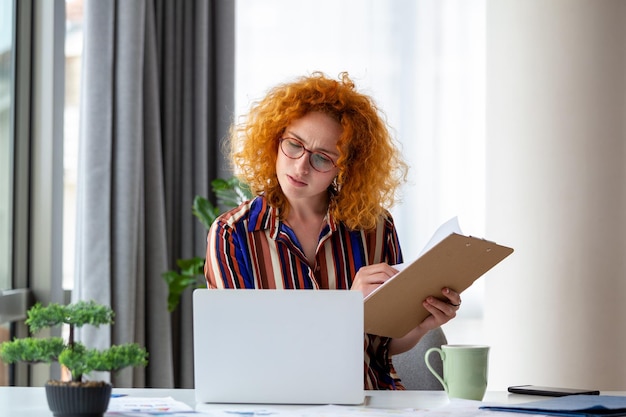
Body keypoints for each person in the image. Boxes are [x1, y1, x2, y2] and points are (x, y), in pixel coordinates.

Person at [204, 72, 461, 390]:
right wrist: (347, 309)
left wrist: (422, 325)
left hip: (368, 403)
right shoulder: (233, 235)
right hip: (277, 403)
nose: (301, 166)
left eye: (323, 158)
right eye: (294, 145)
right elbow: (245, 353)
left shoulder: (375, 228)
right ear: (275, 140)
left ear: (346, 168)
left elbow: (381, 349)